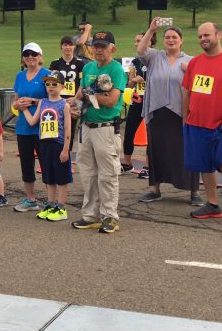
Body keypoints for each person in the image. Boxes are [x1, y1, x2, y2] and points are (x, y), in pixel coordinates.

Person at [182, 22, 222, 226]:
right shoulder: (195, 63)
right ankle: (212, 204)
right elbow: (186, 90)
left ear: (219, 35)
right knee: (205, 167)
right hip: (196, 125)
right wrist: (185, 118)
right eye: (200, 36)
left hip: (220, 126)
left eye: (207, 35)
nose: (203, 39)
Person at [136, 20, 199, 204]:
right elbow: (140, 50)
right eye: (167, 37)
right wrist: (151, 30)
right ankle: (155, 189)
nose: (170, 40)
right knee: (156, 150)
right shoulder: (155, 57)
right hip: (157, 111)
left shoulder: (191, 61)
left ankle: (194, 191)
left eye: (174, 37)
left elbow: (201, 84)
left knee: (185, 150)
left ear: (181, 40)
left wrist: (190, 73)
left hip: (181, 113)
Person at [70, 31, 127, 234]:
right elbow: (79, 94)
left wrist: (88, 94)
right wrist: (74, 107)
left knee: (108, 175)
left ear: (113, 48)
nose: (98, 50)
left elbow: (112, 100)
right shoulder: (88, 68)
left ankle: (110, 216)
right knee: (88, 174)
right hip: (86, 127)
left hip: (106, 128)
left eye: (103, 46)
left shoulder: (117, 70)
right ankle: (90, 216)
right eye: (96, 46)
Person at [22, 74, 72, 221]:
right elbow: (32, 121)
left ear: (62, 87)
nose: (50, 87)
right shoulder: (43, 102)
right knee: (48, 176)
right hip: (44, 144)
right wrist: (23, 108)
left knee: (61, 177)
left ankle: (61, 208)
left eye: (54, 84)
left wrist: (65, 149)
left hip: (59, 144)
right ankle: (50, 205)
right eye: (48, 84)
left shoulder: (64, 105)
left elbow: (68, 129)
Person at [12, 42, 49, 212]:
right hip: (23, 127)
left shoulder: (47, 75)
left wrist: (33, 101)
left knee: (47, 163)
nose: (30, 57)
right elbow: (16, 98)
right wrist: (18, 104)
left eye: (34, 54)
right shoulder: (20, 76)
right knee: (26, 164)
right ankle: (30, 199)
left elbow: (54, 100)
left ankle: (51, 201)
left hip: (43, 126)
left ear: (40, 57)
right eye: (26, 54)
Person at [49, 36, 89, 157]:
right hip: (58, 100)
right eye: (65, 45)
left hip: (74, 100)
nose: (67, 47)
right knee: (56, 127)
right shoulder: (56, 63)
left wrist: (76, 98)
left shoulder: (80, 63)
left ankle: (67, 155)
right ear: (61, 47)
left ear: (74, 47)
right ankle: (55, 154)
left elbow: (83, 83)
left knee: (70, 129)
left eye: (70, 45)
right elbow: (51, 82)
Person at [120, 33, 153, 174]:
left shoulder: (156, 59)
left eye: (139, 40)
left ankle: (148, 167)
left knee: (151, 134)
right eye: (135, 41)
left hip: (153, 100)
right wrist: (133, 81)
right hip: (138, 100)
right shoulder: (135, 62)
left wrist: (146, 80)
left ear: (149, 42)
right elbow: (130, 84)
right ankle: (127, 163)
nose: (136, 43)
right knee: (129, 132)